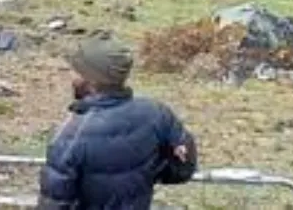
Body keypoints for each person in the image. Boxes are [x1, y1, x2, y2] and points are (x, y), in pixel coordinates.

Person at [38, 38, 197, 209]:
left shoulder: (69, 137)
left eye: (78, 72)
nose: (72, 78)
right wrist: (147, 173)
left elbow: (54, 205)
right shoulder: (156, 113)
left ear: (91, 80)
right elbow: (183, 169)